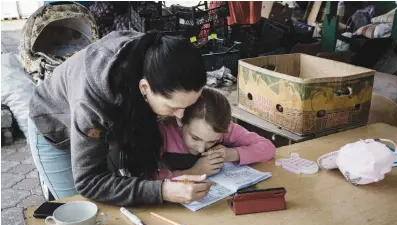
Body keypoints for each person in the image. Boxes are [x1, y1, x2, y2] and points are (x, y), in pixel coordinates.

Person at [27, 31, 213, 206]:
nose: (181, 118)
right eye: (174, 108)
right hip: (55, 126)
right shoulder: (92, 103)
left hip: (102, 121)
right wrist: (162, 190)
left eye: (187, 107)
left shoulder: (155, 55)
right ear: (144, 88)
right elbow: (89, 182)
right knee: (79, 210)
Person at [157, 88, 276, 179]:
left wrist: (230, 154)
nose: (201, 149)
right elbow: (147, 182)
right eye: (195, 138)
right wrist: (193, 172)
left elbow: (268, 148)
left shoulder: (222, 128)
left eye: (212, 141)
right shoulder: (164, 132)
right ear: (180, 120)